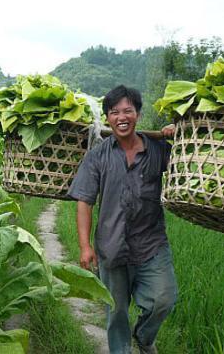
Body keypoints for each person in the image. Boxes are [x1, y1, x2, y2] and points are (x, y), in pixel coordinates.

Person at [67, 85, 177, 354]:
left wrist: (178, 135)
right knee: (116, 313)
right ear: (107, 118)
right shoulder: (98, 156)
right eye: (114, 112)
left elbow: (188, 161)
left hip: (151, 244)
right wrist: (85, 246)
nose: (121, 117)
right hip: (112, 248)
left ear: (138, 114)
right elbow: (85, 201)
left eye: (128, 110)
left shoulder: (158, 150)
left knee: (163, 299)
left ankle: (144, 336)